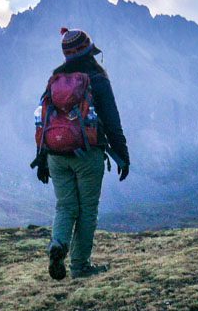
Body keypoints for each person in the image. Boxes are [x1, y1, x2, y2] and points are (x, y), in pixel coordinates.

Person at [31, 28, 130, 280]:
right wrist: (122, 154)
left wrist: (42, 159)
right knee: (87, 210)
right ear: (89, 51)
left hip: (55, 154)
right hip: (87, 154)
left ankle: (58, 244)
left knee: (65, 206)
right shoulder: (96, 77)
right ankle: (80, 266)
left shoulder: (55, 79)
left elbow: (44, 119)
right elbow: (112, 120)